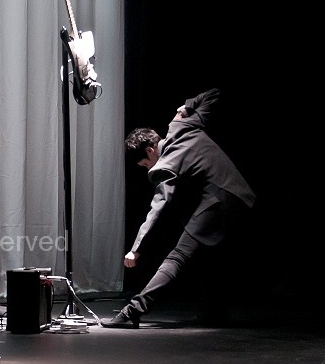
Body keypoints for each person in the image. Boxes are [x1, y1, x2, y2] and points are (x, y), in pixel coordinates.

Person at [101, 88, 255, 328]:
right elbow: (214, 94)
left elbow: (157, 207)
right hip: (238, 196)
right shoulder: (181, 126)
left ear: (150, 150)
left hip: (220, 202)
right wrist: (188, 106)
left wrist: (136, 249)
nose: (147, 168)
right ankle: (215, 312)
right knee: (205, 256)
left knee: (178, 256)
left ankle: (134, 310)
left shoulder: (165, 163)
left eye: (144, 163)